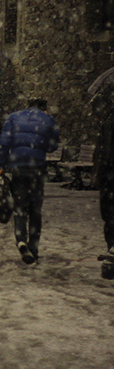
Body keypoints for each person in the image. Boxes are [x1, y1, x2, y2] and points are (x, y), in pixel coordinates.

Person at [0, 98, 60, 264]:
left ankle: (21, 240)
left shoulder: (13, 117)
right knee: (35, 210)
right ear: (43, 107)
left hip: (18, 167)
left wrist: (2, 165)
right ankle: (34, 247)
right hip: (37, 168)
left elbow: (4, 143)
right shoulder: (48, 120)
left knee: (20, 206)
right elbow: (52, 146)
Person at [92, 89, 114, 278]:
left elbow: (106, 151)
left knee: (109, 214)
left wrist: (99, 174)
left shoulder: (109, 122)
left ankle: (112, 250)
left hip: (111, 177)